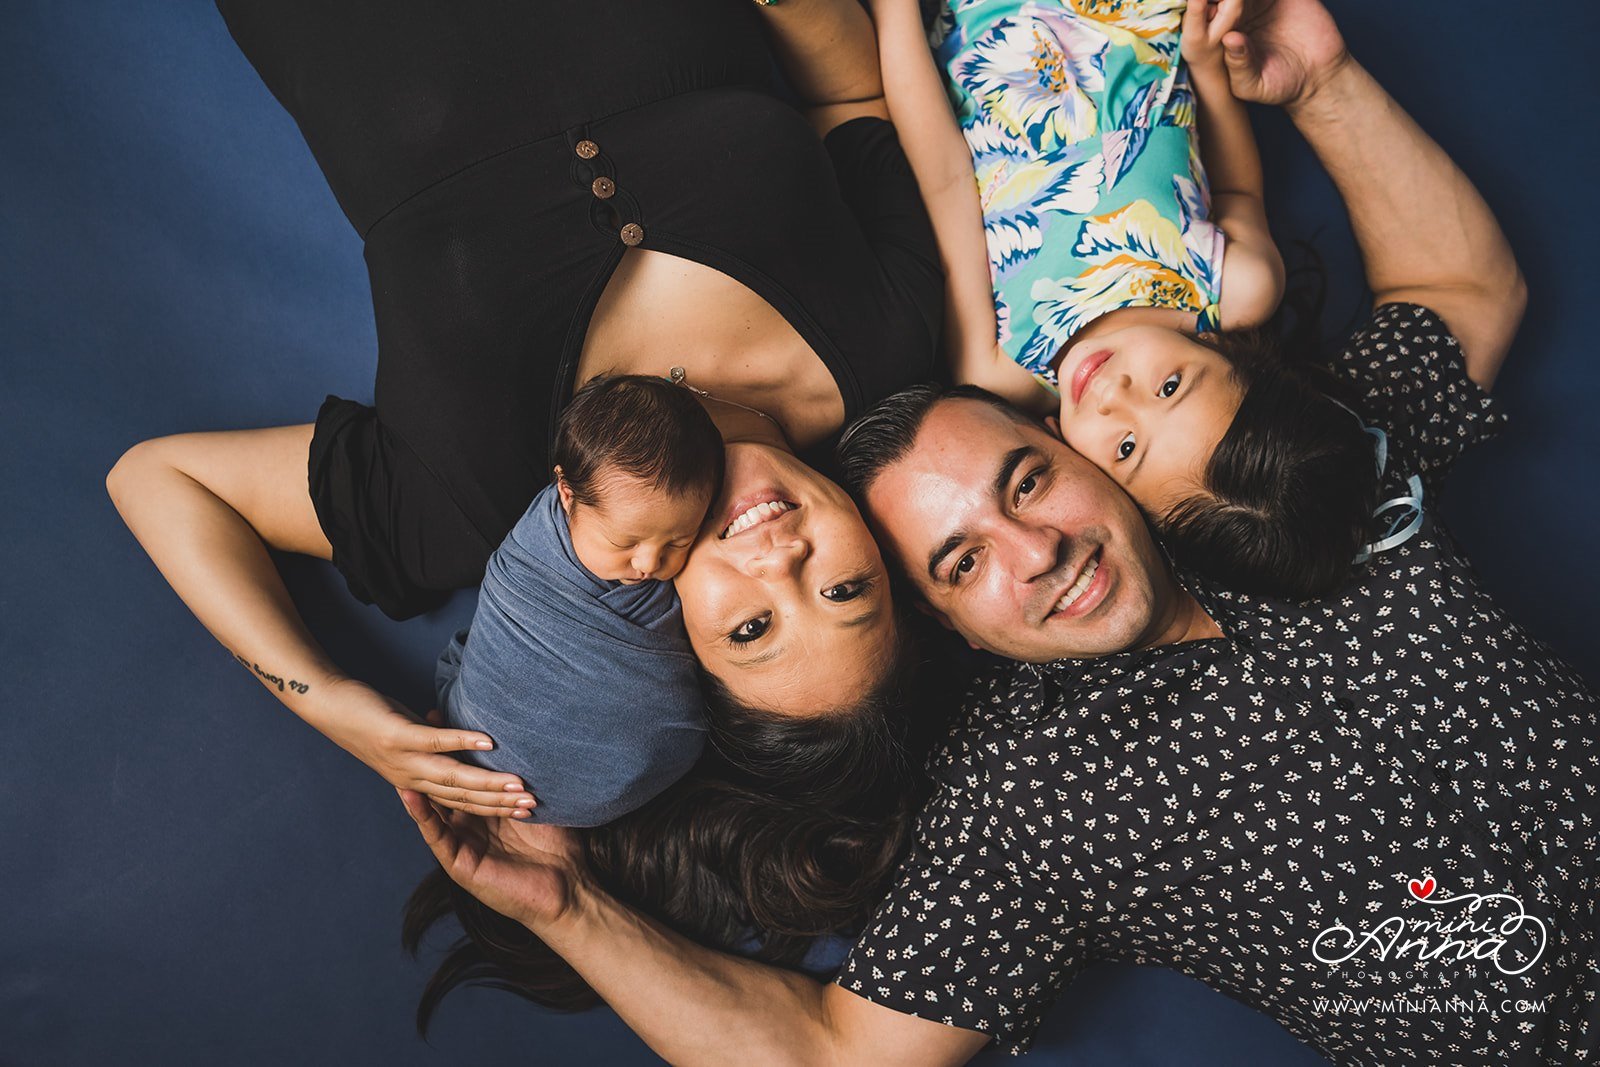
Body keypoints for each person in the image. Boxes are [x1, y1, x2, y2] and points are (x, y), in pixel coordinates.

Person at [403, 2, 1599, 1063]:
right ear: (941, 622)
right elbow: (842, 1055)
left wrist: (1328, 86)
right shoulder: (1024, 790)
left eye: (1026, 482)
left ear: (1092, 459)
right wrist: (575, 915)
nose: (1036, 554)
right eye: (960, 560)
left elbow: (1462, 295)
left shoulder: (1262, 483)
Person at [105, 0, 943, 818]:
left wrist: (320, 698)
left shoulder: (466, 505)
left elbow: (158, 479)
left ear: (681, 642)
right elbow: (849, 102)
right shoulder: (884, 347)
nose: (782, 562)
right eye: (844, 588)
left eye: (753, 629)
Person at [872, 0, 1380, 599]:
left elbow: (943, 175)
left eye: (1126, 448)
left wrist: (894, 15)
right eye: (1170, 386)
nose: (1115, 396)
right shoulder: (1232, 286)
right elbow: (1237, 185)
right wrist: (1208, 68)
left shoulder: (1002, 366)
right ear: (1229, 353)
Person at [435, 375, 723, 828]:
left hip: (604, 797)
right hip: (481, 743)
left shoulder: (650, 547)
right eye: (624, 541)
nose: (649, 563)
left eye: (680, 539)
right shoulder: (533, 551)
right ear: (567, 494)